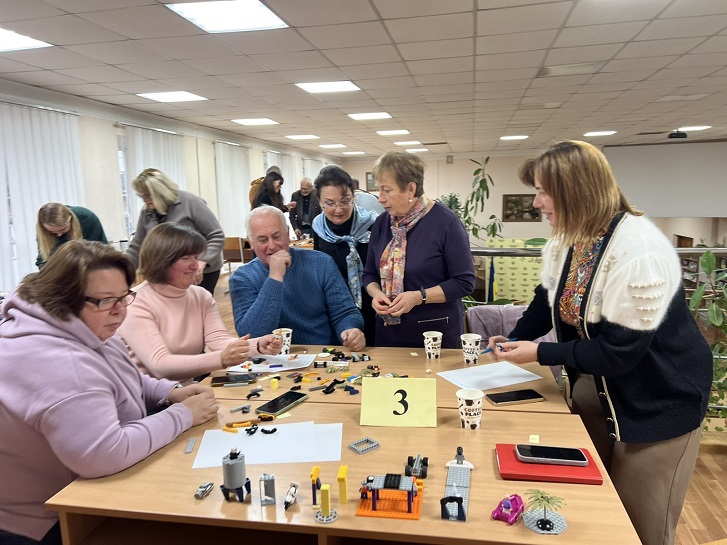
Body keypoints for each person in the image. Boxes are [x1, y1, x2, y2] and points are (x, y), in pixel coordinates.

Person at [486, 140, 712, 545]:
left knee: (640, 525)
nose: (536, 203)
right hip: (601, 387)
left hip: (657, 400)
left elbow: (618, 351)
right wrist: (517, 338)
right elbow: (547, 297)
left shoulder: (639, 251)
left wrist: (540, 352)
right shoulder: (572, 237)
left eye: (543, 192)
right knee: (593, 510)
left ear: (576, 192)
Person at [0, 241, 218, 545]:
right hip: (44, 518)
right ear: (63, 299)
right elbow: (104, 453)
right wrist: (182, 416)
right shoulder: (61, 362)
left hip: (73, 491)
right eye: (105, 300)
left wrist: (169, 392)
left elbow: (124, 377)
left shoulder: (83, 328)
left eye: (124, 297)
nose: (119, 311)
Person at [118, 223, 281, 383]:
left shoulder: (201, 296)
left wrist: (257, 346)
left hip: (184, 391)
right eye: (185, 258)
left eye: (196, 257)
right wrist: (221, 359)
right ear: (161, 261)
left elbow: (219, 341)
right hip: (143, 397)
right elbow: (159, 364)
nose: (195, 265)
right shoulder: (134, 303)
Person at [362, 151, 475, 348]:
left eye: (386, 190)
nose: (380, 199)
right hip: (388, 333)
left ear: (410, 189)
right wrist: (376, 294)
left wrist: (419, 297)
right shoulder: (382, 223)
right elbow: (369, 274)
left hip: (434, 334)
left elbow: (464, 282)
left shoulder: (446, 222)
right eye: (378, 190)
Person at [229, 205, 365, 351]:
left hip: (322, 353)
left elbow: (345, 312)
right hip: (271, 359)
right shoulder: (242, 278)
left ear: (287, 233)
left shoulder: (321, 262)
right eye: (262, 240)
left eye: (277, 236)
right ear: (250, 242)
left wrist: (350, 329)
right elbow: (251, 334)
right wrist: (275, 278)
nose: (272, 245)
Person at [126, 168, 225, 296]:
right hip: (169, 272)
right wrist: (122, 269)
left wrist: (201, 261)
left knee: (196, 304)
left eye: (147, 195)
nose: (144, 200)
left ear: (160, 192)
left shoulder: (190, 202)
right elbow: (137, 246)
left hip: (200, 271)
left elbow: (217, 235)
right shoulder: (147, 212)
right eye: (141, 196)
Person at [312, 166, 378, 344]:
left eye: (344, 201)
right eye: (330, 203)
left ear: (353, 196)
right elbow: (318, 268)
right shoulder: (318, 228)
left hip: (372, 302)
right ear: (319, 201)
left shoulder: (372, 224)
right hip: (336, 307)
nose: (338, 209)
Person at [35, 202, 107, 269]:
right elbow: (42, 261)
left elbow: (102, 253)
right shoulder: (44, 230)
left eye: (62, 229)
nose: (59, 234)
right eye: (52, 232)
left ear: (71, 219)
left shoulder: (87, 218)